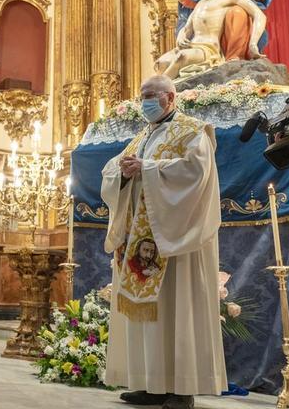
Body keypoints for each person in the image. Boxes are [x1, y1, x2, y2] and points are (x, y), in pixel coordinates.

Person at [101, 75, 227, 409]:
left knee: (176, 309)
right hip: (142, 237)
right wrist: (124, 172)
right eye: (141, 96)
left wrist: (148, 168)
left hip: (175, 239)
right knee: (147, 317)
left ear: (170, 98)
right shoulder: (143, 135)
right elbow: (113, 170)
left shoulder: (193, 130)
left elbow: (196, 173)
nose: (144, 102)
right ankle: (151, 384)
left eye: (150, 95)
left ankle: (181, 388)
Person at [156, 0, 266, 80]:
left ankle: (159, 90)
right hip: (190, 45)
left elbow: (259, 15)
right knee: (160, 63)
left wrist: (253, 44)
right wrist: (182, 34)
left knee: (181, 57)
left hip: (208, 50)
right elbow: (188, 27)